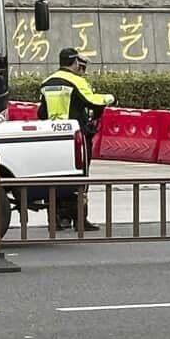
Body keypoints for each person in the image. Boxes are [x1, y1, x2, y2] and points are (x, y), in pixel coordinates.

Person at [37, 47, 115, 231]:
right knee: (80, 176)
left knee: (55, 176)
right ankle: (80, 220)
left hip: (53, 136)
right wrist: (109, 98)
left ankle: (57, 219)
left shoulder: (47, 82)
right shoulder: (76, 81)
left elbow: (41, 113)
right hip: (76, 136)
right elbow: (92, 101)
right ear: (74, 63)